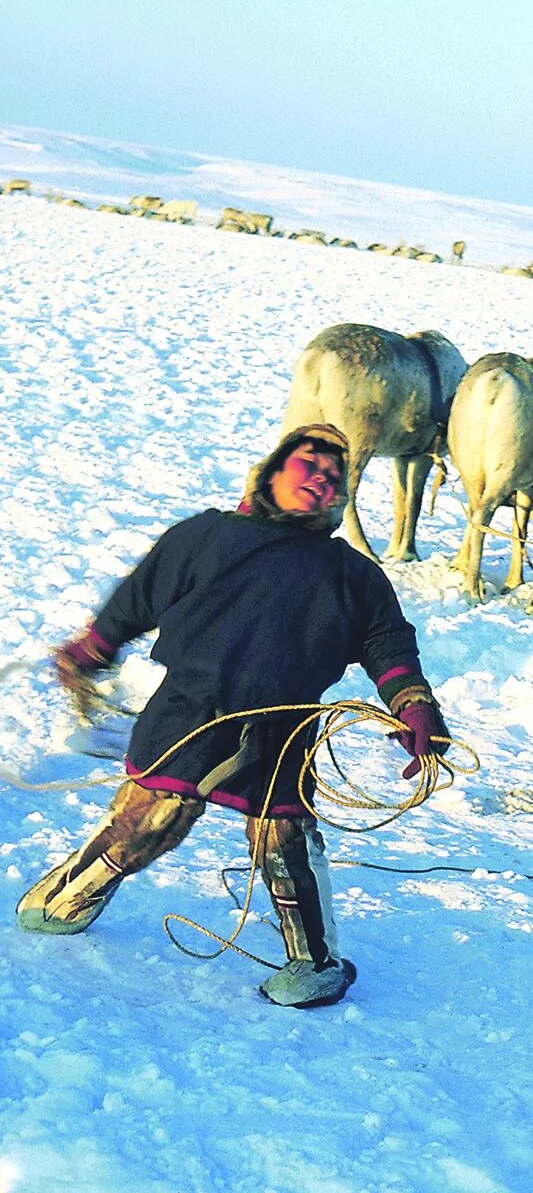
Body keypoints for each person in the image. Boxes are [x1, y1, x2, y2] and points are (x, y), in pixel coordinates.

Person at [16, 424, 451, 1009]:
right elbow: (138, 597)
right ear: (273, 471)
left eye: (334, 473)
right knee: (149, 822)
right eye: (308, 462)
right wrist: (93, 647)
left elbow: (388, 644)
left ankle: (313, 966)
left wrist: (415, 705)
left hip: (283, 727)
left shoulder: (352, 574)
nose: (321, 476)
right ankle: (63, 900)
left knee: (286, 845)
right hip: (189, 713)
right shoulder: (207, 536)